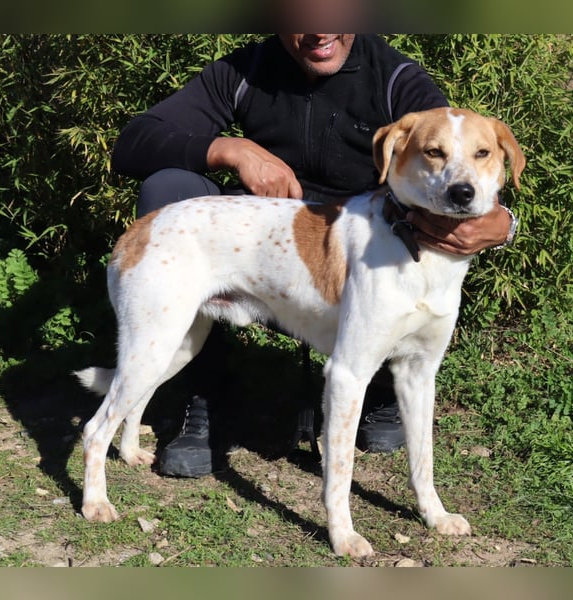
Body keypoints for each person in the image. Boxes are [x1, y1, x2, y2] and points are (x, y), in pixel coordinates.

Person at [111, 34, 517, 477]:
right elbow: (134, 141)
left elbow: (461, 162)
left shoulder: (395, 78)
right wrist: (233, 149)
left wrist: (503, 224)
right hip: (266, 259)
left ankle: (384, 385)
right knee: (168, 188)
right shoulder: (243, 71)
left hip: (363, 264)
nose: (321, 29)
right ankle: (202, 393)